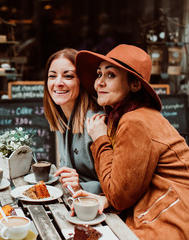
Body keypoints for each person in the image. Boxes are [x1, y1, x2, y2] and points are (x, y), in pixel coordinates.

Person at [73, 44, 189, 239]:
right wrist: (106, 200)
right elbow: (129, 185)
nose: (99, 82)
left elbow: (119, 197)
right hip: (160, 207)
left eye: (111, 75)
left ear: (135, 85)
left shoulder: (134, 122)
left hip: (169, 217)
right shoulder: (130, 117)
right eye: (99, 74)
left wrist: (100, 139)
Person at [43, 48, 103, 194]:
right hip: (74, 203)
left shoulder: (97, 122)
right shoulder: (62, 119)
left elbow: (119, 187)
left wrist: (83, 187)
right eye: (52, 76)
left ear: (82, 81)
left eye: (68, 76)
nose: (58, 83)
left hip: (104, 211)